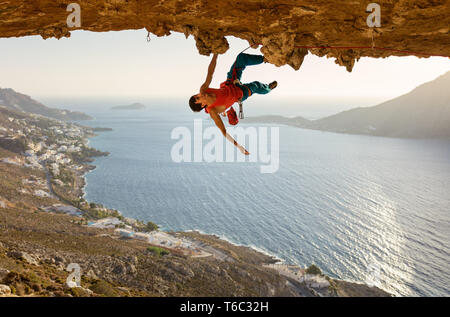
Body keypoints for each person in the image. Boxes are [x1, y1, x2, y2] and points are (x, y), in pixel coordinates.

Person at [189, 50, 278, 155]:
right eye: (198, 98)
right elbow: (224, 132)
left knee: (240, 58)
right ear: (203, 105)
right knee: (256, 85)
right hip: (240, 93)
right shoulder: (213, 111)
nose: (200, 94)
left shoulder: (203, 89)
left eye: (197, 95)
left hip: (230, 83)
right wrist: (239, 147)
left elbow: (210, 72)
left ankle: (266, 59)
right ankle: (268, 88)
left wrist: (216, 54)